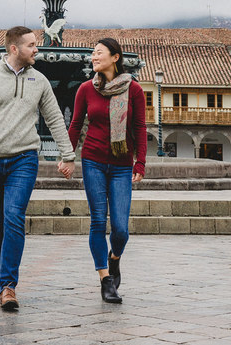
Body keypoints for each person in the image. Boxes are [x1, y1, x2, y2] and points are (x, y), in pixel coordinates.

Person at [0, 26, 75, 311]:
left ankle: (8, 286)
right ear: (14, 48)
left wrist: (67, 155)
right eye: (31, 45)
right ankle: (1, 276)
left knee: (14, 216)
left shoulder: (40, 80)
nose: (36, 49)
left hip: (24, 159)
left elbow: (54, 119)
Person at [68, 37, 147, 304]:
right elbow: (76, 124)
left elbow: (139, 128)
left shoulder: (133, 89)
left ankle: (114, 260)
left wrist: (141, 162)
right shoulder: (85, 89)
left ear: (115, 57)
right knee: (98, 221)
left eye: (98, 53)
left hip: (122, 164)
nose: (93, 56)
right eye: (92, 53)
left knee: (121, 229)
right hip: (93, 161)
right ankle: (105, 280)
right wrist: (68, 157)